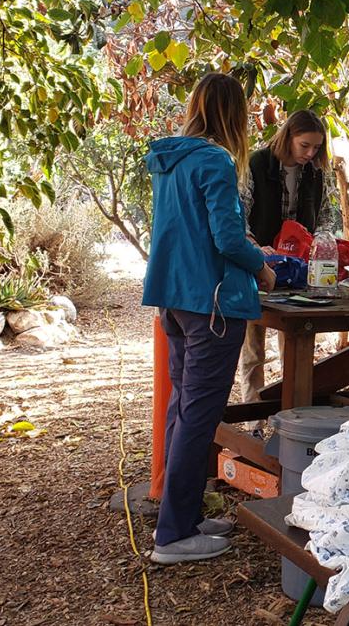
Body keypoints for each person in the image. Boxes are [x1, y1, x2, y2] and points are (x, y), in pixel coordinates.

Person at [141, 73, 276, 564]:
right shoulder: (215, 159)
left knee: (185, 410)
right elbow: (224, 237)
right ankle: (174, 536)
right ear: (233, 115)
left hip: (175, 298)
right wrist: (260, 266)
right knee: (199, 416)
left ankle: (184, 517)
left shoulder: (168, 159)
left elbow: (189, 230)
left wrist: (243, 247)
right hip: (214, 304)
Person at [237, 109, 329, 402]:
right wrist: (253, 246)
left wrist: (323, 241)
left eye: (316, 147)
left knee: (296, 340)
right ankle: (254, 416)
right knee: (254, 347)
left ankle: (292, 409)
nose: (310, 152)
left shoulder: (315, 171)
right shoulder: (257, 163)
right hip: (258, 265)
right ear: (288, 136)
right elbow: (239, 211)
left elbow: (326, 215)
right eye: (305, 145)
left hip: (300, 270)